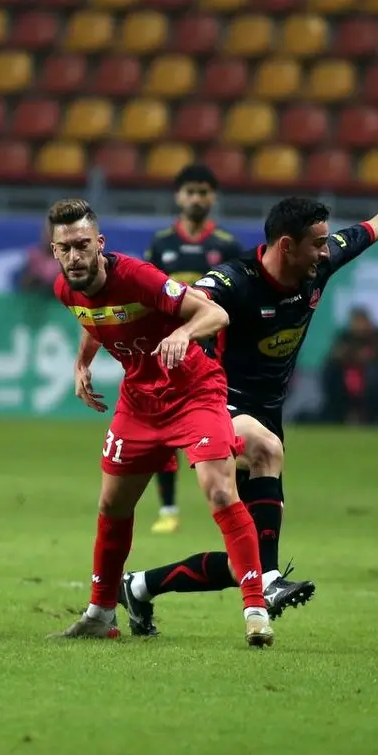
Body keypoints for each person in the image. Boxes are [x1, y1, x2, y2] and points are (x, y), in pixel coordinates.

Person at [114, 132, 378, 636]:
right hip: (213, 401)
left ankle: (139, 586)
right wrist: (181, 333)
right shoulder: (234, 281)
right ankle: (271, 581)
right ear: (286, 246)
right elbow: (185, 303)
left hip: (267, 408)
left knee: (244, 558)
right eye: (317, 243)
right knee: (266, 453)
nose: (325, 250)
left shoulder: (320, 263)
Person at [47, 198, 273, 646]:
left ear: (99, 243)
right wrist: (81, 363)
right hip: (140, 401)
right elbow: (95, 318)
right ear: (54, 251)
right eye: (65, 248)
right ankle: (100, 614)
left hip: (194, 391)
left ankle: (256, 611)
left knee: (220, 490)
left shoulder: (139, 277)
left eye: (82, 244)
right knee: (112, 505)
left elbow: (216, 314)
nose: (74, 256)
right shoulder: (65, 289)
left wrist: (182, 332)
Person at [144, 164, 246, 535]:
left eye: (203, 192)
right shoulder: (161, 244)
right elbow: (146, 296)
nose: (197, 199)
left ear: (213, 196)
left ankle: (232, 498)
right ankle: (168, 509)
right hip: (168, 353)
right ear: (178, 196)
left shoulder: (227, 246)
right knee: (161, 432)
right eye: (190, 192)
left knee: (225, 430)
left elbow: (237, 302)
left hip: (214, 355)